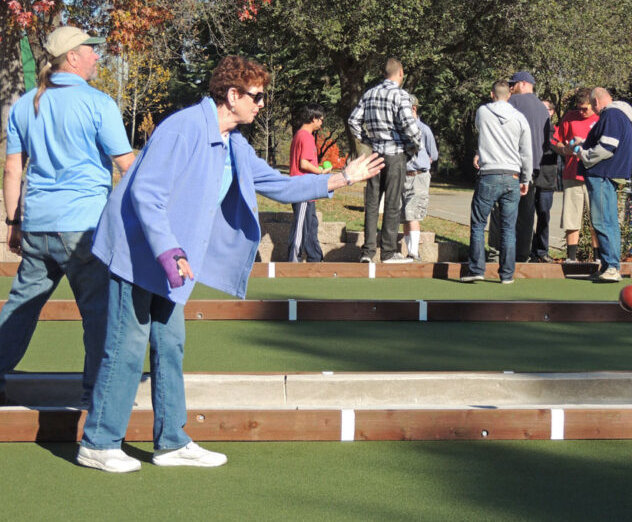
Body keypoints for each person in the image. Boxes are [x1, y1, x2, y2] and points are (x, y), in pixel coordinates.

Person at [77, 55, 384, 473]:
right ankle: (98, 442)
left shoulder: (233, 144)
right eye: (256, 96)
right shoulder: (184, 127)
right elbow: (145, 193)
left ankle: (171, 442)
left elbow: (277, 185)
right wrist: (170, 250)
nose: (262, 104)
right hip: (138, 253)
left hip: (172, 264)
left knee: (170, 345)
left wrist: (343, 178)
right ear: (232, 95)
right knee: (126, 347)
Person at [0, 26, 134, 407]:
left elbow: (12, 170)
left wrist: (13, 223)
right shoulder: (98, 103)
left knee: (20, 309)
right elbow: (128, 166)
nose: (97, 55)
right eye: (91, 49)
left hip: (38, 226)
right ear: (72, 57)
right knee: (100, 315)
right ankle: (96, 396)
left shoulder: (25, 105)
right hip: (85, 229)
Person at [348, 58, 421, 264]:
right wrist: (415, 144)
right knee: (392, 203)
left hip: (375, 154)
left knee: (372, 203)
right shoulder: (400, 95)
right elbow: (409, 125)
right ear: (401, 73)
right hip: (395, 154)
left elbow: (353, 120)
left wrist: (366, 139)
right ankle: (388, 252)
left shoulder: (370, 93)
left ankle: (368, 251)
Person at [462, 80, 532, 284]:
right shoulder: (519, 117)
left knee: (478, 224)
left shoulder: (483, 112)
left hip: (489, 173)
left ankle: (476, 269)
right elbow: (526, 152)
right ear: (509, 95)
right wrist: (526, 178)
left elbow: (481, 131)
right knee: (508, 228)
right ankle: (507, 274)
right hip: (512, 175)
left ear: (492, 94)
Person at [568, 88, 632, 283]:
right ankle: (608, 266)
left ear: (596, 101)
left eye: (592, 104)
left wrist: (584, 154)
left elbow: (607, 147)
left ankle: (612, 266)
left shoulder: (611, 115)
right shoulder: (619, 115)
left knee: (602, 221)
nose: (592, 109)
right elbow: (607, 141)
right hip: (607, 174)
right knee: (608, 221)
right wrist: (585, 142)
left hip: (601, 174)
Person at [487, 71, 550, 263]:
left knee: (500, 209)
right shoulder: (543, 109)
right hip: (532, 168)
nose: (510, 88)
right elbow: (547, 141)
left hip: (509, 165)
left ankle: (496, 252)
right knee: (526, 214)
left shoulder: (512, 102)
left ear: (523, 84)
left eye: (513, 85)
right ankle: (522, 255)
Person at [551, 87, 600, 263]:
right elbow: (555, 140)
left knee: (597, 220)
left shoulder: (601, 118)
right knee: (571, 218)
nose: (581, 112)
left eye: (584, 108)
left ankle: (598, 258)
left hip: (595, 175)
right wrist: (564, 149)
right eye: (578, 108)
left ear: (593, 104)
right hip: (572, 174)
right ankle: (571, 258)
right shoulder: (570, 117)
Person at [287, 103, 331, 262]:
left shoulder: (300, 135)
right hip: (303, 189)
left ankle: (316, 260)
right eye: (321, 120)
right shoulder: (306, 137)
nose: (321, 123)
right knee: (300, 228)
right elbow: (304, 164)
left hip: (308, 191)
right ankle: (293, 262)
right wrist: (321, 172)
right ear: (313, 118)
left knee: (311, 227)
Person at [401, 95, 438, 261]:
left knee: (413, 213)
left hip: (418, 175)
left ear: (413, 109)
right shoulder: (400, 128)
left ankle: (414, 252)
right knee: (404, 215)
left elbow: (433, 154)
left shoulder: (424, 129)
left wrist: (422, 161)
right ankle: (409, 250)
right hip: (403, 175)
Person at [531, 100, 558, 262]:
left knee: (543, 216)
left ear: (552, 112)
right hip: (530, 178)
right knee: (526, 216)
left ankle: (542, 251)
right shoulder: (531, 129)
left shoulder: (555, 132)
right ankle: (529, 250)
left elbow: (559, 148)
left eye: (544, 108)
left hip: (546, 180)